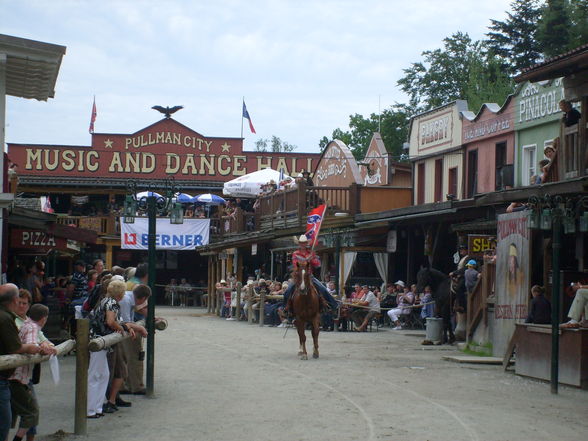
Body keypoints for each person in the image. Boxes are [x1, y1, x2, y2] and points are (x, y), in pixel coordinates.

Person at [0, 284, 44, 441]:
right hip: (11, 376)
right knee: (9, 420)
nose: (21, 305)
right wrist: (32, 347)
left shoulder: (14, 318)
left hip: (13, 375)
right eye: (19, 302)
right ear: (14, 300)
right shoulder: (7, 318)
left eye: (25, 303)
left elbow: (42, 339)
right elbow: (16, 347)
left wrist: (44, 345)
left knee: (13, 416)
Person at [9, 304, 54, 441]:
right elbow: (31, 345)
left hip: (18, 375)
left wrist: (44, 344)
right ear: (44, 318)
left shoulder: (27, 324)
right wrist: (41, 349)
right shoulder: (33, 327)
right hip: (19, 376)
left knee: (21, 410)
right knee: (31, 412)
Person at [282, 235, 338, 314]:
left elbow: (318, 265)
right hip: (299, 277)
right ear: (299, 244)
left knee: (323, 288)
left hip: (309, 276)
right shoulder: (295, 253)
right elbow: (295, 264)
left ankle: (333, 306)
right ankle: (284, 308)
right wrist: (306, 260)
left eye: (304, 243)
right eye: (301, 243)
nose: (303, 244)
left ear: (306, 243)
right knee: (288, 290)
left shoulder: (311, 253)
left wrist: (312, 259)